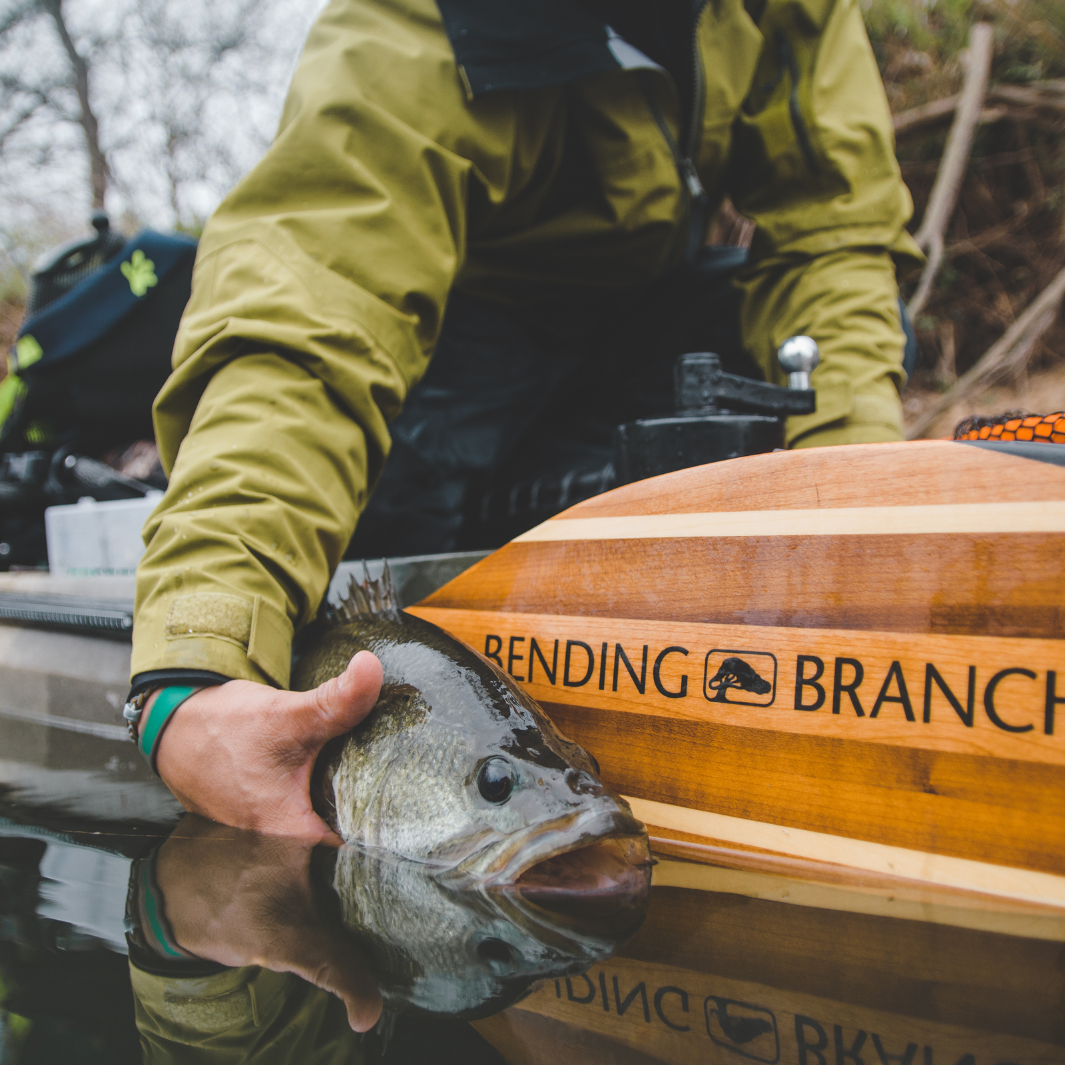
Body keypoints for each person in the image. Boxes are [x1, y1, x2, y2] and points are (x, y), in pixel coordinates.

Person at [126, 0, 921, 834]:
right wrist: (192, 669)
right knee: (388, 504)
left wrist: (857, 523)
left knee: (840, 342)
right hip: (453, 361)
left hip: (638, 323)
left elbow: (836, 239)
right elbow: (311, 319)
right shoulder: (416, 25)